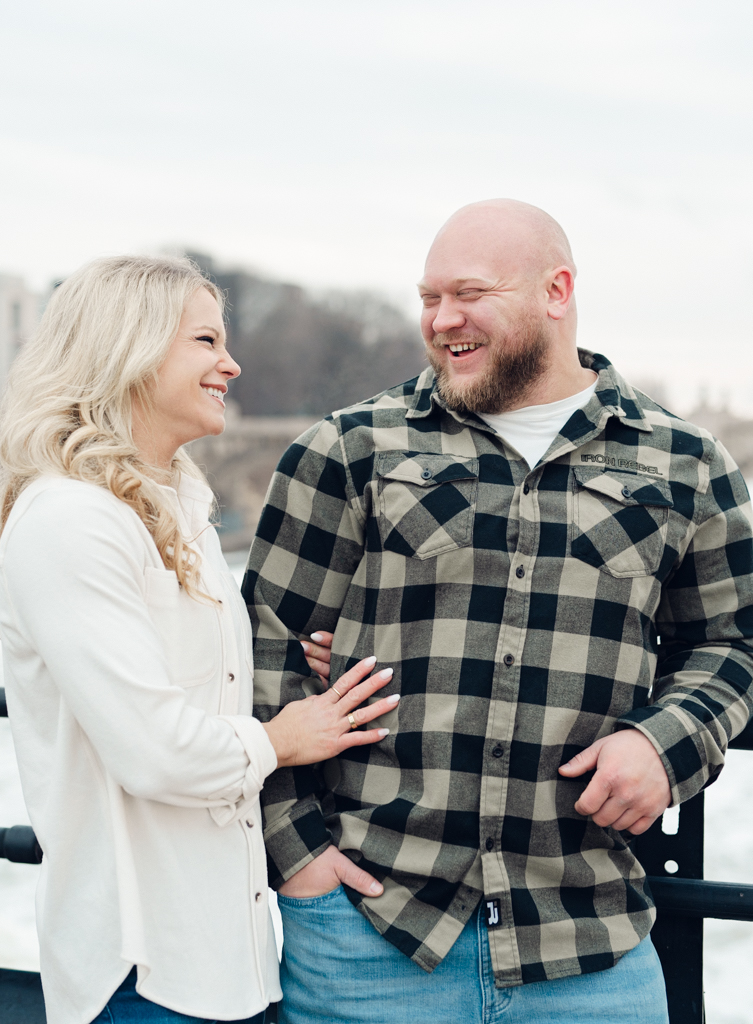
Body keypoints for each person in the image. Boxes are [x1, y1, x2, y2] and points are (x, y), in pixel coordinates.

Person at [244, 199, 753, 1024]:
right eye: (427, 298)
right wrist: (297, 859)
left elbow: (735, 640)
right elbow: (262, 647)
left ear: (556, 291)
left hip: (589, 943)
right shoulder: (349, 450)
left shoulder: (684, 464)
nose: (441, 320)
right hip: (369, 935)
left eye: (468, 294)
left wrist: (665, 744)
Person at [0, 255, 400, 1024]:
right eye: (205, 341)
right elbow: (155, 750)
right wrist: (283, 739)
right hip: (142, 969)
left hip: (231, 959)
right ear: (130, 349)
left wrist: (322, 663)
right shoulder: (72, 519)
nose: (230, 364)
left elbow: (201, 683)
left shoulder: (178, 502)